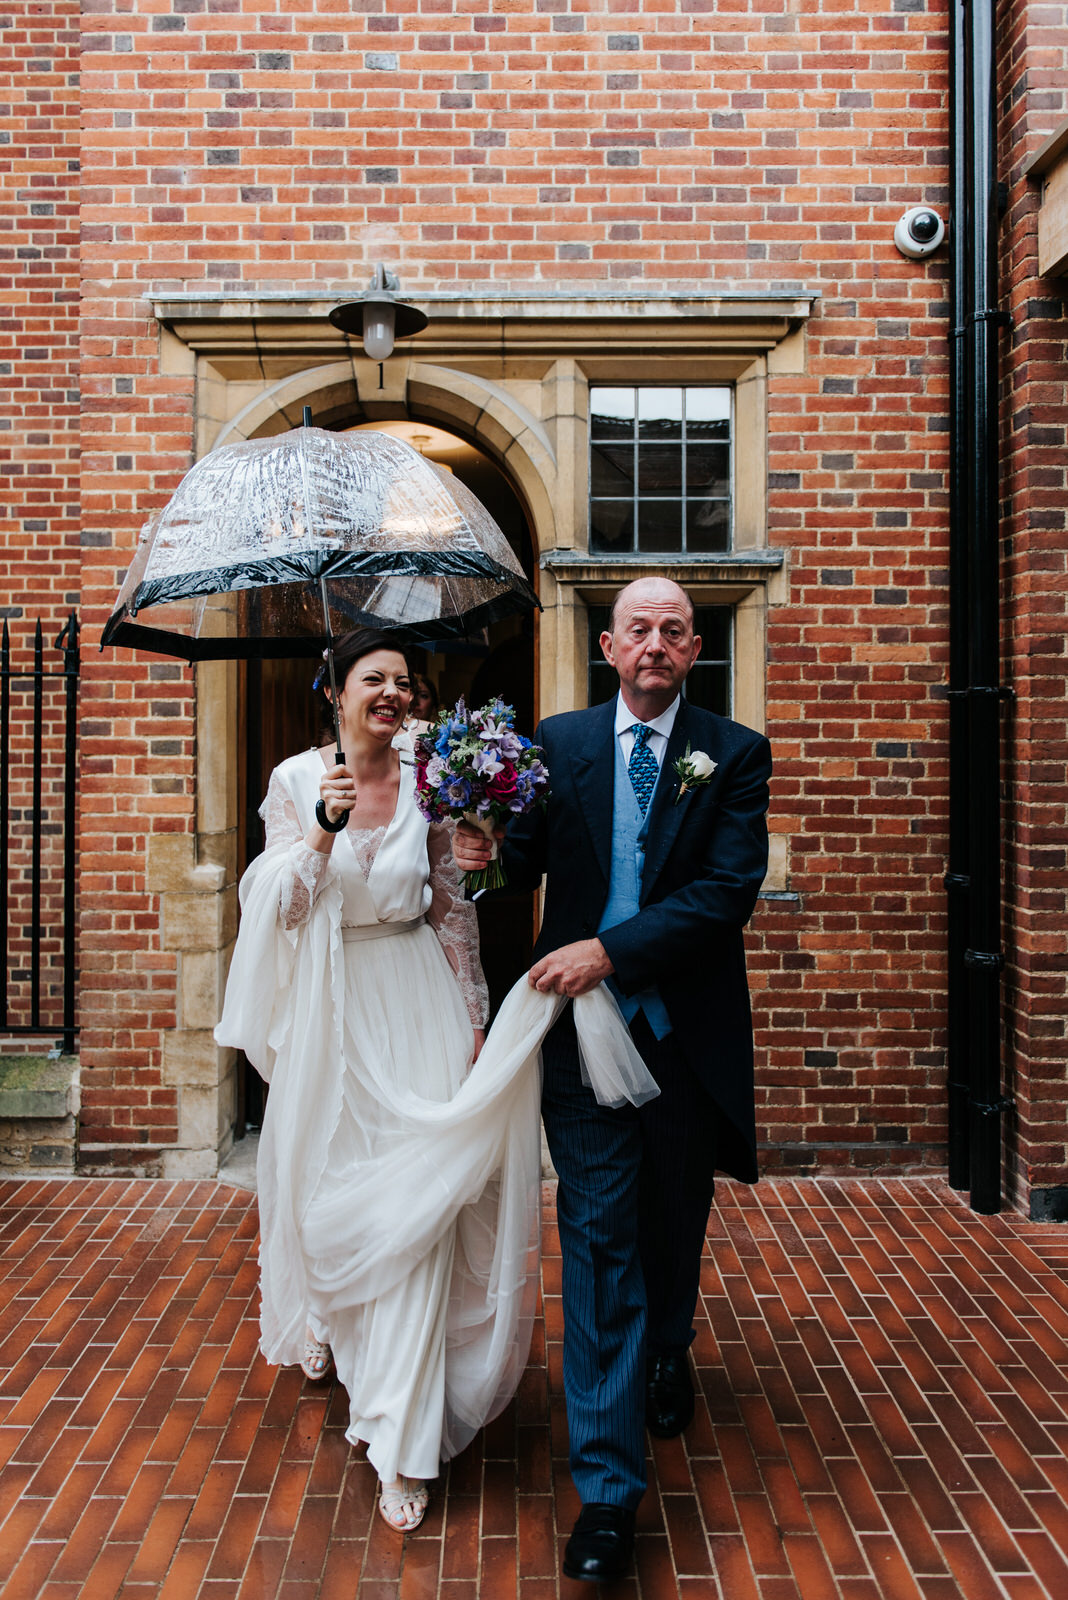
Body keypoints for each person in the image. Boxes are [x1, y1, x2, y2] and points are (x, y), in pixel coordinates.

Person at [453, 577, 772, 1584]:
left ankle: (669, 1344)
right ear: (606, 642)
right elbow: (524, 862)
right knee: (598, 1241)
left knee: (673, 1225)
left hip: (682, 1040)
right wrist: (485, 853)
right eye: (640, 628)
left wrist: (612, 951)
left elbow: (726, 895)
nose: (657, 644)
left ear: (693, 649)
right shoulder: (561, 742)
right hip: (578, 1045)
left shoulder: (731, 752)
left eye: (676, 630)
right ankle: (607, 1485)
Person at [215, 629, 537, 1535]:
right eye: (373, 680)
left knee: (420, 1212)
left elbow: (448, 909)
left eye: (404, 682)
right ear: (336, 693)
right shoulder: (293, 779)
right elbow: (277, 910)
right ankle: (331, 1305)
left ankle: (401, 1440)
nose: (392, 694)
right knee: (329, 1193)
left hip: (419, 1001)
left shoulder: (433, 772)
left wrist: (473, 1017)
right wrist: (320, 829)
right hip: (334, 1011)